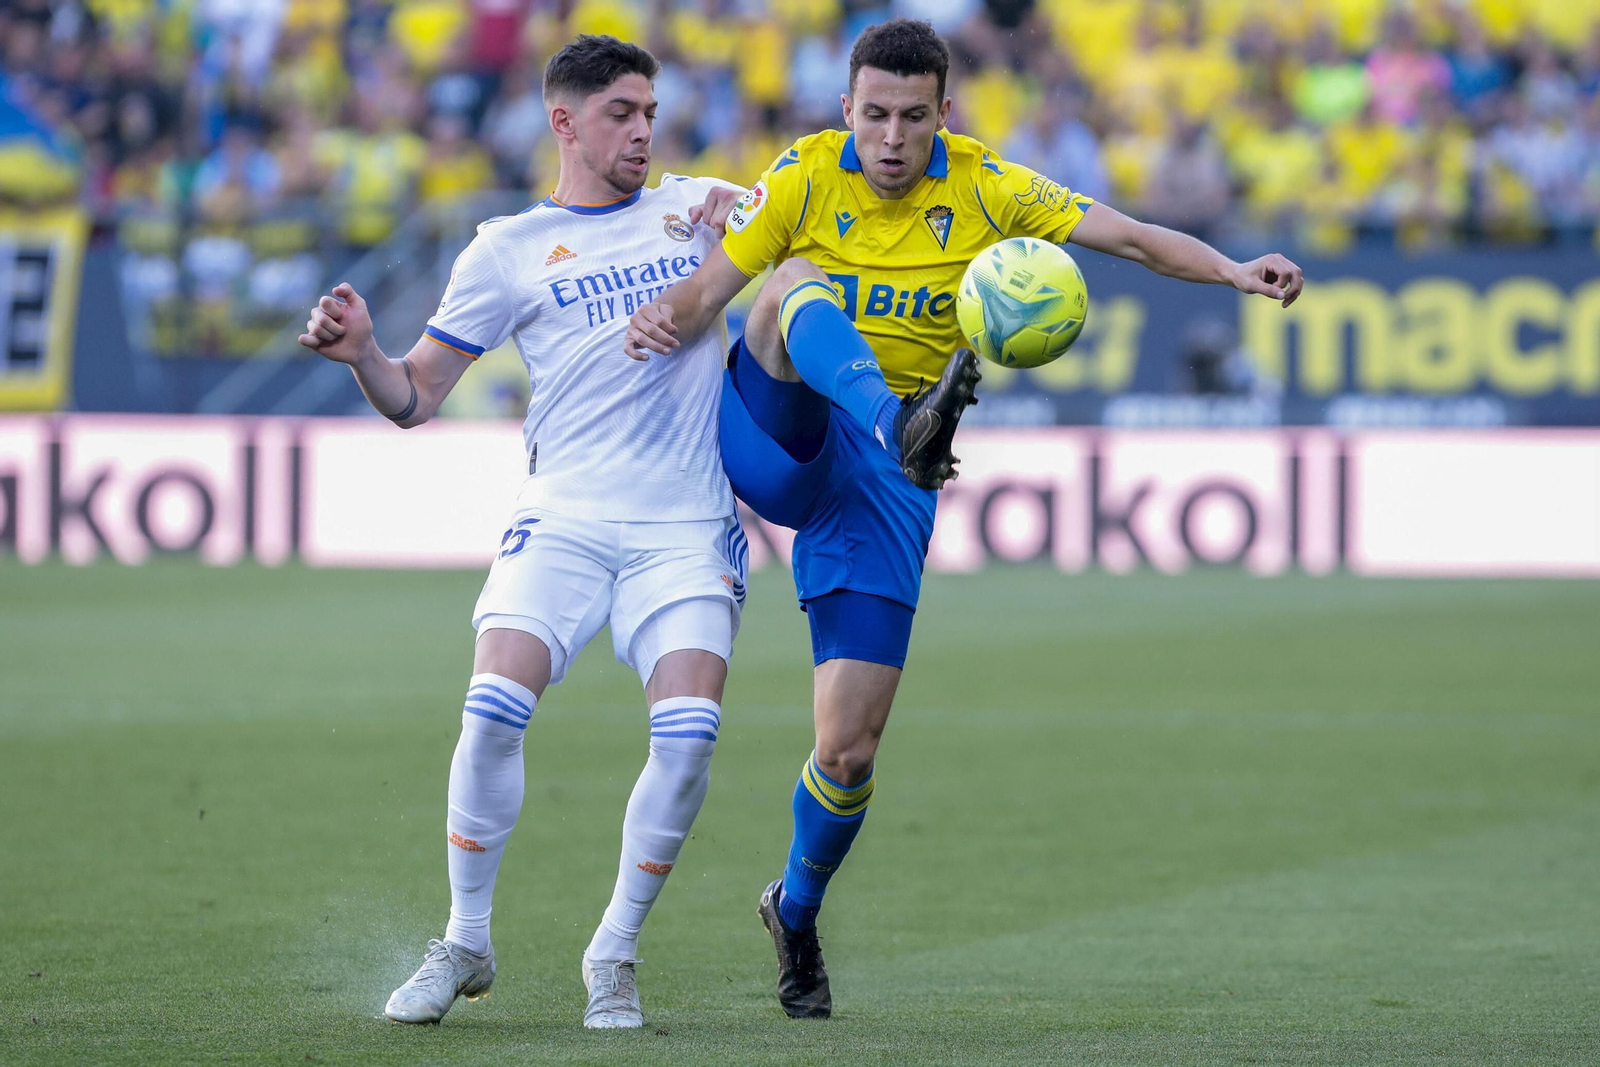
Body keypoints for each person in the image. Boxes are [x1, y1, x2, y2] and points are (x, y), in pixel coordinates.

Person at [624, 17, 1303, 1019]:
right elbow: (706, 296)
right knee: (787, 281)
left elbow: (1129, 236)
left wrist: (1235, 269)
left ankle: (794, 908)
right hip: (786, 434)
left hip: (891, 484)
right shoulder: (804, 176)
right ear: (843, 110)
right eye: (871, 117)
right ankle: (897, 412)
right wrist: (649, 322)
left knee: (848, 748)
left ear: (943, 114)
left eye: (909, 118)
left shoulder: (987, 184)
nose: (889, 139)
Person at [299, 34, 745, 1031]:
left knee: (687, 736)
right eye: (621, 112)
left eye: (648, 110)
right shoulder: (503, 250)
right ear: (563, 121)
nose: (642, 129)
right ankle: (464, 937)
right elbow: (416, 396)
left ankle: (613, 952)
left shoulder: (704, 207)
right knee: (493, 706)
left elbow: (811, 249)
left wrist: (750, 244)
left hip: (686, 521)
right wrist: (364, 353)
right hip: (564, 516)